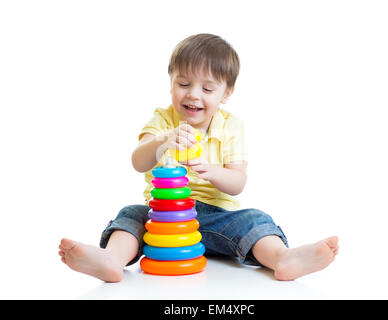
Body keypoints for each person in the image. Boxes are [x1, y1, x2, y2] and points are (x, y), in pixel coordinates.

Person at [58, 33, 339, 282]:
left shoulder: (231, 127)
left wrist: (214, 172)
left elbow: (238, 182)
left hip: (218, 218)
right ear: (170, 84)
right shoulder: (162, 119)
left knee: (255, 219)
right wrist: (164, 140)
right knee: (130, 215)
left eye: (207, 89)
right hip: (163, 217)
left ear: (226, 94)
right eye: (183, 83)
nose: (193, 95)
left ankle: (283, 258)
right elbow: (138, 161)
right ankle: (112, 260)